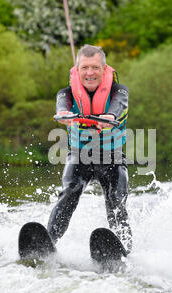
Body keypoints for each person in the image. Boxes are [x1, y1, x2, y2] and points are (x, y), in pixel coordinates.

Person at [47, 44, 132, 253]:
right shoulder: (66, 93)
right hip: (80, 156)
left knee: (116, 199)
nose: (90, 73)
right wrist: (63, 114)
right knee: (70, 191)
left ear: (104, 69)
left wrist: (109, 117)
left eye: (95, 67)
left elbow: (118, 105)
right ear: (77, 70)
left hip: (111, 157)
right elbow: (61, 106)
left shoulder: (119, 91)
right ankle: (48, 242)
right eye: (84, 67)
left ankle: (124, 249)